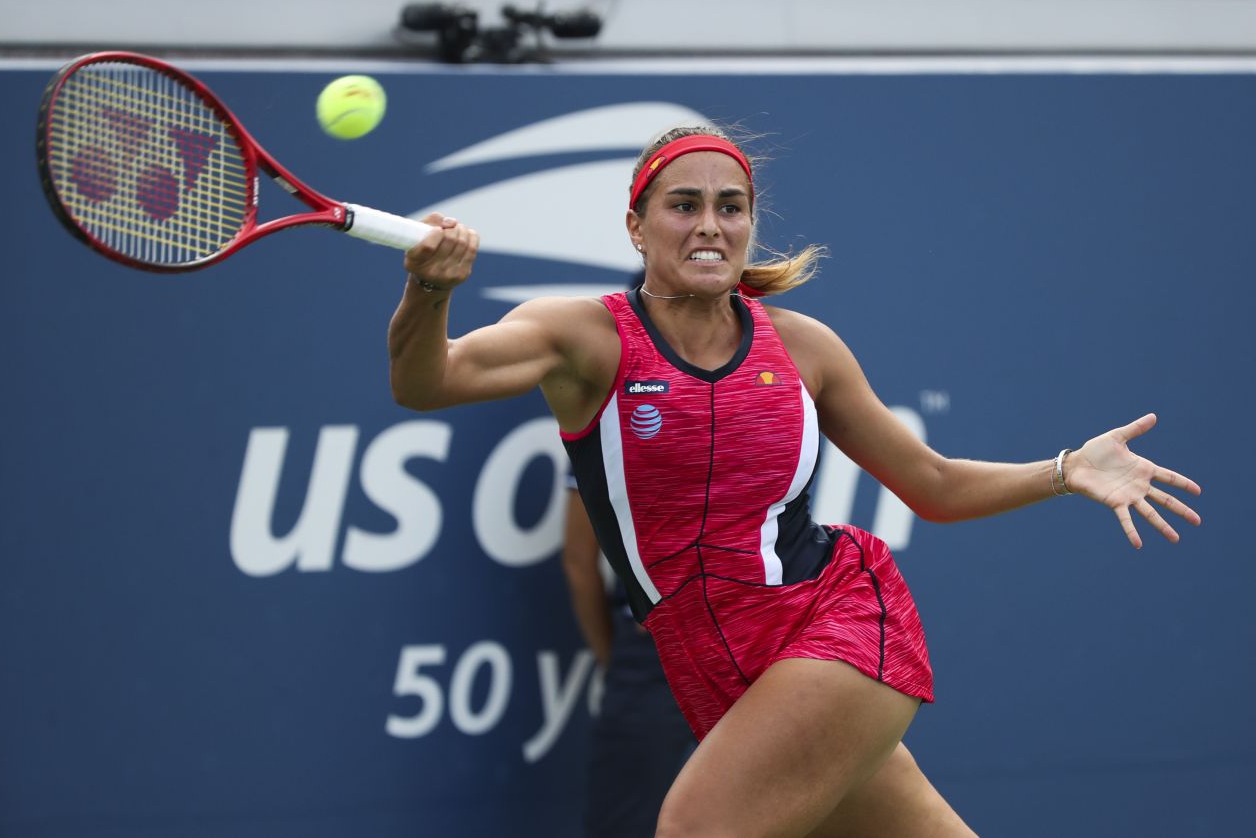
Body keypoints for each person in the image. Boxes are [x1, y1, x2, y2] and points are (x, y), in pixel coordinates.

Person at [387, 125, 1202, 836]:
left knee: (698, 827)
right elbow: (426, 383)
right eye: (683, 204)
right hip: (711, 665)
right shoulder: (580, 335)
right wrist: (430, 290)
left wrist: (1066, 469)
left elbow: (933, 482)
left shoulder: (805, 346)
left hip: (835, 632)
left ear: (749, 223)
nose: (709, 224)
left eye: (730, 205)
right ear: (635, 226)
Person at [562, 473, 697, 837]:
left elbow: (578, 560)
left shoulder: (607, 417)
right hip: (747, 640)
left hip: (665, 650)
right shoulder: (610, 419)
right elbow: (578, 562)